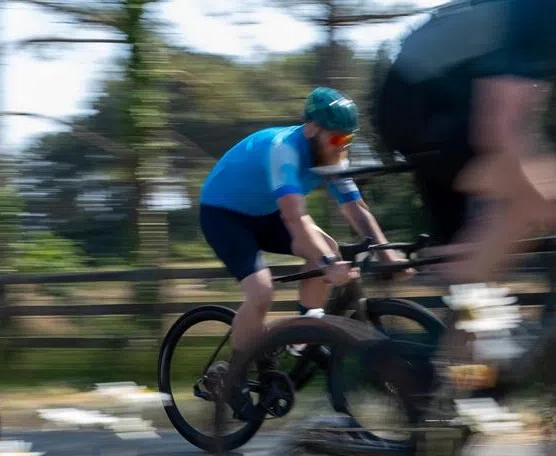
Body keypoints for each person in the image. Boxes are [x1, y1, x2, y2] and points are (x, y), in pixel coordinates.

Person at [199, 87, 407, 384]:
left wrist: (386, 252)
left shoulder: (333, 154)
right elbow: (294, 217)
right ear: (311, 129)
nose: (341, 147)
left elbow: (356, 208)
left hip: (265, 212)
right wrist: (327, 264)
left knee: (328, 247)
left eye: (348, 139)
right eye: (336, 138)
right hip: (223, 214)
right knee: (261, 291)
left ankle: (304, 338)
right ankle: (233, 375)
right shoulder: (283, 150)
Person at [373, 0, 556, 285]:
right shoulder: (540, 13)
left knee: (530, 191)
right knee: (527, 189)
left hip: (446, 96)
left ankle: (467, 299)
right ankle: (465, 282)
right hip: (417, 101)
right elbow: (498, 131)